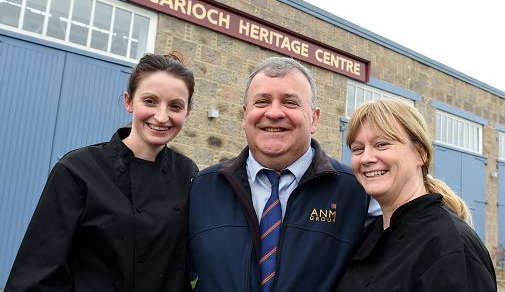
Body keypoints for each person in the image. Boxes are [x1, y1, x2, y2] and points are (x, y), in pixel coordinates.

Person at [5, 53, 198, 292]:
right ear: (129, 101)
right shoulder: (78, 170)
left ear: (187, 112)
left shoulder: (188, 173)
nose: (161, 116)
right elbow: (36, 275)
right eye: (150, 101)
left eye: (175, 106)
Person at [189, 56, 375, 292]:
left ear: (315, 119)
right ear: (245, 115)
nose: (274, 113)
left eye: (289, 102)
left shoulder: (356, 192)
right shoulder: (203, 188)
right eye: (262, 101)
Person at [336, 99, 497, 291]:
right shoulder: (371, 234)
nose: (366, 158)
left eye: (382, 144)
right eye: (358, 149)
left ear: (421, 154)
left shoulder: (451, 245)